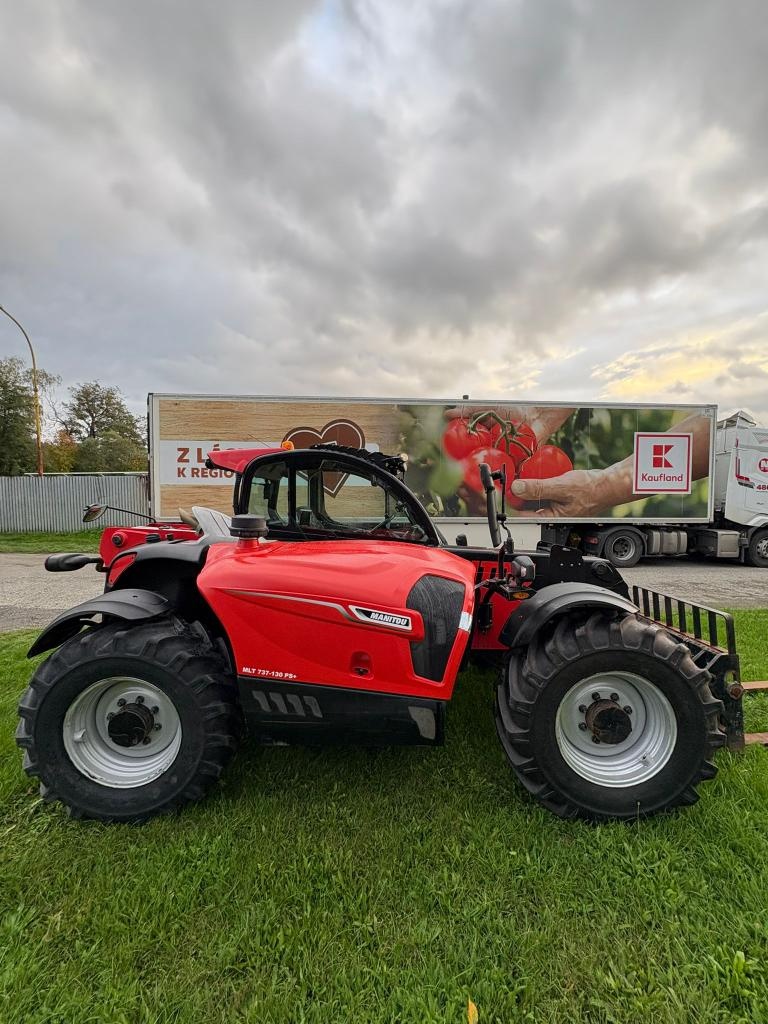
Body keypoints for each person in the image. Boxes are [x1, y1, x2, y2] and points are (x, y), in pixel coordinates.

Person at [446, 405, 711, 517]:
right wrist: (538, 414)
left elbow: (710, 432)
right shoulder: (506, 457)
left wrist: (603, 487)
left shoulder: (494, 458)